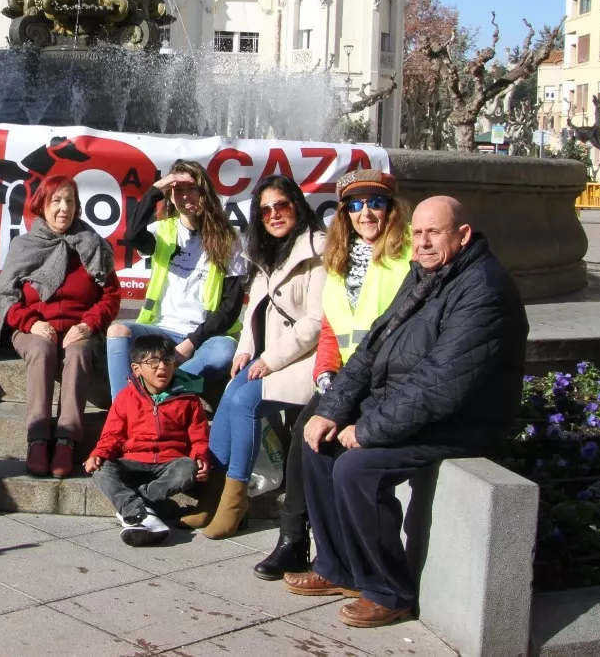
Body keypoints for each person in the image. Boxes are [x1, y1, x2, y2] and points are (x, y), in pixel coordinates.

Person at [286, 197, 528, 629]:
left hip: (463, 420)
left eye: (434, 232)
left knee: (357, 467)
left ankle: (388, 590)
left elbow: (441, 385)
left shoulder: (483, 289)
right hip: (410, 404)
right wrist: (333, 410)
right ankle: (339, 568)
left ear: (463, 235)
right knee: (316, 440)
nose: (423, 242)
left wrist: (368, 430)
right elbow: (371, 346)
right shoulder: (426, 274)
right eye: (417, 233)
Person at [253, 169, 413, 581]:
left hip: (388, 382)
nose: (365, 213)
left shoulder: (409, 255)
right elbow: (331, 327)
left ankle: (333, 557)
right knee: (305, 437)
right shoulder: (342, 257)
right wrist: (325, 373)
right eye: (355, 205)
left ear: (392, 209)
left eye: (375, 203)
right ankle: (295, 542)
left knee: (330, 447)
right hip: (343, 380)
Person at [192, 173, 326, 539]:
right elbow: (256, 310)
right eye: (265, 210)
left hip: (305, 358)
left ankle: (236, 501)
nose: (274, 215)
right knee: (229, 395)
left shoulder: (319, 249)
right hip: (271, 354)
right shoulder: (266, 249)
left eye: (281, 205)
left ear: (297, 205)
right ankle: (212, 494)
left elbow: (316, 321)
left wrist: (269, 360)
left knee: (245, 401)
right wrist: (246, 350)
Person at [0, 175, 119, 478]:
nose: (64, 208)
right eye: (56, 201)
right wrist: (30, 322)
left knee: (77, 352)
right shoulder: (24, 246)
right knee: (42, 348)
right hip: (33, 328)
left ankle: (66, 440)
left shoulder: (93, 245)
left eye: (70, 201)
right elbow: (5, 297)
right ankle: (37, 439)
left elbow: (111, 295)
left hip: (79, 329)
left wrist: (89, 324)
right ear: (42, 205)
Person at [107, 160, 243, 406]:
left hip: (205, 337)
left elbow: (231, 307)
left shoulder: (228, 238)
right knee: (117, 332)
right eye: (177, 190)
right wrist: (156, 189)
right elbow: (132, 235)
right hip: (160, 329)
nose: (185, 196)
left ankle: (157, 399)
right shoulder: (163, 230)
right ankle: (123, 409)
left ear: (205, 192)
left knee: (224, 352)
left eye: (192, 188)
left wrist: (192, 342)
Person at [83, 333, 210, 546]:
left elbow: (199, 438)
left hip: (169, 463)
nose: (162, 367)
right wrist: (99, 454)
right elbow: (112, 435)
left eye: (168, 360)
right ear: (137, 369)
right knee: (101, 469)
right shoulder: (125, 398)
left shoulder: (188, 399)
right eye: (153, 362)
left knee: (187, 468)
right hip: (133, 461)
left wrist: (200, 457)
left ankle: (134, 508)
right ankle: (143, 513)